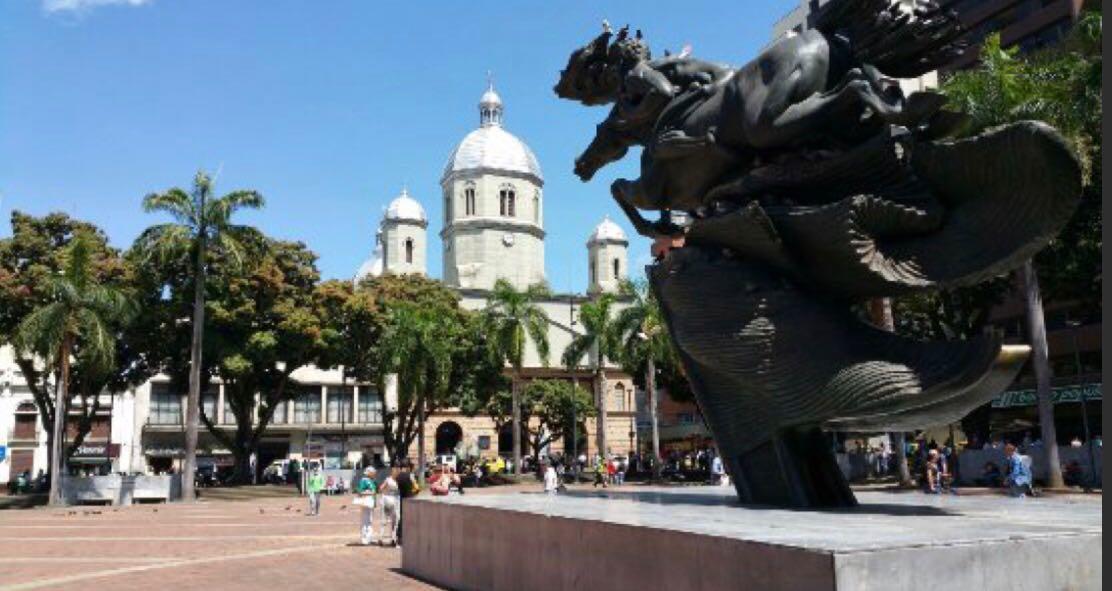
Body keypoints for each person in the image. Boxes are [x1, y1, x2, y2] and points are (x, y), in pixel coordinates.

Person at [395, 463, 416, 547]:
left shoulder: (398, 476)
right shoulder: (408, 476)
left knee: (402, 518)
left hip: (402, 499)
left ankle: (399, 537)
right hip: (409, 499)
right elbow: (414, 488)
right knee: (409, 520)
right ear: (407, 467)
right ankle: (405, 538)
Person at [379, 467, 401, 546]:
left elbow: (381, 488)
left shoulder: (389, 479)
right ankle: (390, 538)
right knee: (393, 521)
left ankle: (385, 538)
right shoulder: (394, 480)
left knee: (387, 520)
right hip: (393, 500)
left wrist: (386, 492)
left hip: (388, 499)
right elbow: (381, 488)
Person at [356, 467, 378, 545]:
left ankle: (369, 537)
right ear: (369, 473)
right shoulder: (364, 480)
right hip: (366, 502)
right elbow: (359, 491)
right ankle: (364, 539)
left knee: (369, 520)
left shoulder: (371, 481)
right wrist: (370, 493)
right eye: (373, 472)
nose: (375, 474)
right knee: (365, 520)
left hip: (370, 502)